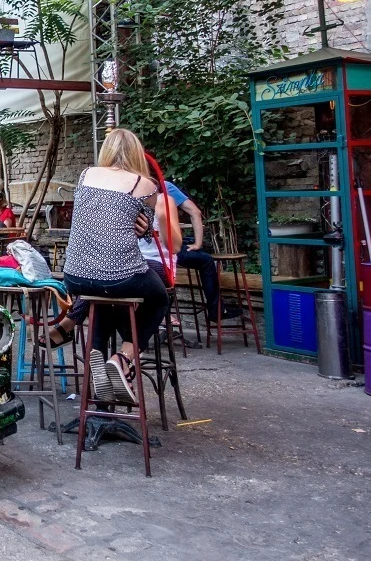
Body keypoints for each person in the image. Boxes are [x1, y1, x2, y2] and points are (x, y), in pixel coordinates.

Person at [61, 128, 170, 406]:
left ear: (106, 150)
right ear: (137, 152)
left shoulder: (86, 175)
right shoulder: (144, 185)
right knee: (159, 299)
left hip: (75, 276)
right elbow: (144, 231)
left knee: (107, 300)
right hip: (117, 275)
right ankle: (123, 358)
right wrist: (143, 228)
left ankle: (97, 364)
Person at [166, 182, 240, 322]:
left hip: (142, 252)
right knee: (206, 260)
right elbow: (195, 212)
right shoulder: (164, 186)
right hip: (166, 253)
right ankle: (216, 310)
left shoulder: (129, 186)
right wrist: (198, 243)